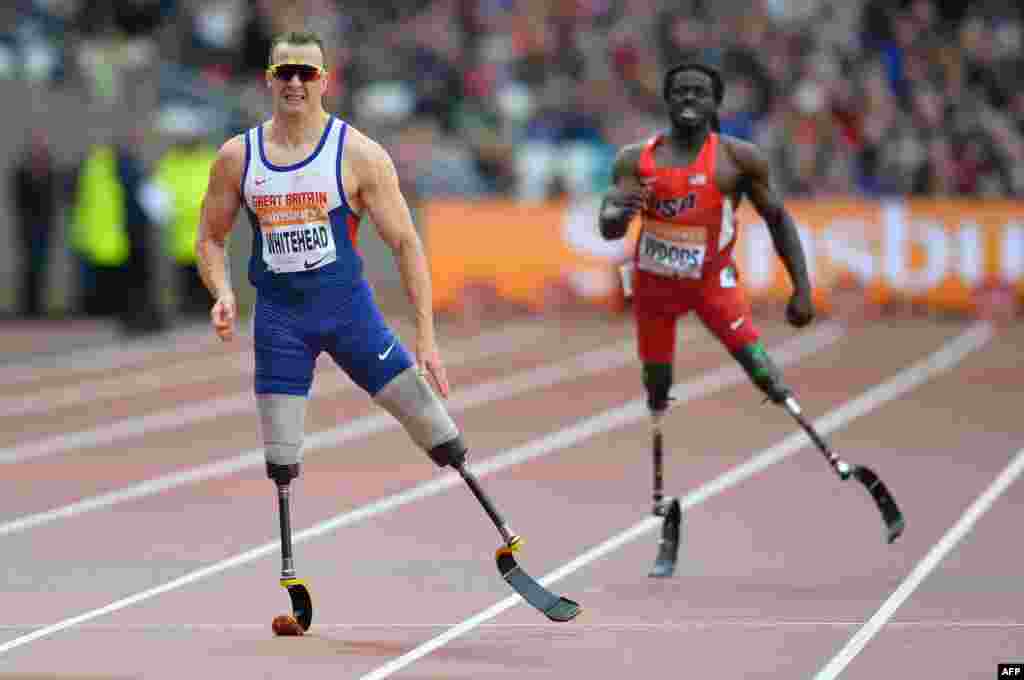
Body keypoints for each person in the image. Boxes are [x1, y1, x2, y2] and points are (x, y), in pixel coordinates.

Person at [194, 29, 471, 561]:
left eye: (307, 73)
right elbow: (210, 236)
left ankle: (504, 536)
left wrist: (427, 339)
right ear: (269, 79)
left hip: (349, 314)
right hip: (279, 321)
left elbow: (407, 245)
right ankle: (291, 572)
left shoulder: (360, 154)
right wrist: (223, 291)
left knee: (431, 421)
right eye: (285, 72)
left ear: (325, 80)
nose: (295, 83)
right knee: (280, 454)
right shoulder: (238, 157)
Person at [598, 62, 815, 507]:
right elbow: (608, 225)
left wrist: (802, 287)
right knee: (656, 381)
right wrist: (619, 215)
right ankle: (659, 479)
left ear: (715, 102)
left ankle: (792, 410)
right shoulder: (635, 160)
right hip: (653, 286)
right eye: (680, 91)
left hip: (712, 282)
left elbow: (778, 220)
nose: (689, 99)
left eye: (699, 92)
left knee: (756, 363)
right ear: (667, 100)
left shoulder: (739, 158)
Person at [10, 128, 58, 318]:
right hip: (28, 225)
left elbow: (51, 200)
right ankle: (26, 306)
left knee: (41, 266)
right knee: (28, 265)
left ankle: (38, 305)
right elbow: (19, 200)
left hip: (44, 226)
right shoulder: (22, 172)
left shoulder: (49, 172)